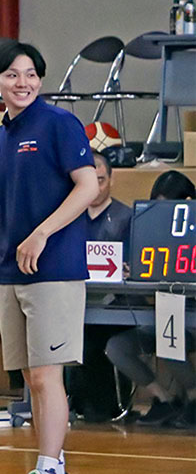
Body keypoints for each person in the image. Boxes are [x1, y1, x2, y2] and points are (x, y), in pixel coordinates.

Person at [0, 40, 97, 474]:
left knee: (45, 374)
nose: (24, 83)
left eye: (32, 74)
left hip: (53, 267)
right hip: (10, 270)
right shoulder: (1, 136)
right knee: (31, 380)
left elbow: (87, 185)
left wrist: (42, 233)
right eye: (13, 75)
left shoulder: (59, 124)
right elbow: (4, 201)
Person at [103, 171, 196, 428]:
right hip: (162, 318)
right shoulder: (143, 229)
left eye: (167, 205)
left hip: (187, 322)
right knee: (117, 347)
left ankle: (193, 398)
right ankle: (165, 401)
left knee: (169, 340)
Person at [75, 152, 132, 421]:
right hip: (76, 298)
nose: (96, 188)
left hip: (116, 303)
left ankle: (102, 405)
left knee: (93, 338)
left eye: (102, 180)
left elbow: (136, 264)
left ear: (111, 180)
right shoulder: (71, 215)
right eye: (91, 180)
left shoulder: (125, 217)